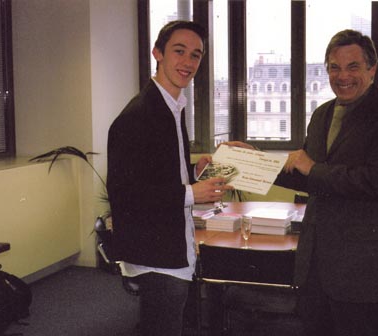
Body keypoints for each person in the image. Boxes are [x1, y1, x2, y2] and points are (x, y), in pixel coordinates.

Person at [225, 29, 378, 335]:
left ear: (372, 69)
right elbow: (306, 176)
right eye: (334, 68)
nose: (343, 76)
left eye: (353, 66)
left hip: (360, 273)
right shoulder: (323, 114)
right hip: (314, 268)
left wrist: (313, 168)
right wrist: (250, 161)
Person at [106, 20, 232, 336]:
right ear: (157, 53)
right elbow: (125, 194)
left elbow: (157, 174)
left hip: (171, 245)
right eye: (179, 51)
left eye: (196, 55)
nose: (188, 62)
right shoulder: (137, 116)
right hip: (156, 256)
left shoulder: (172, 106)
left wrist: (194, 173)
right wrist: (192, 193)